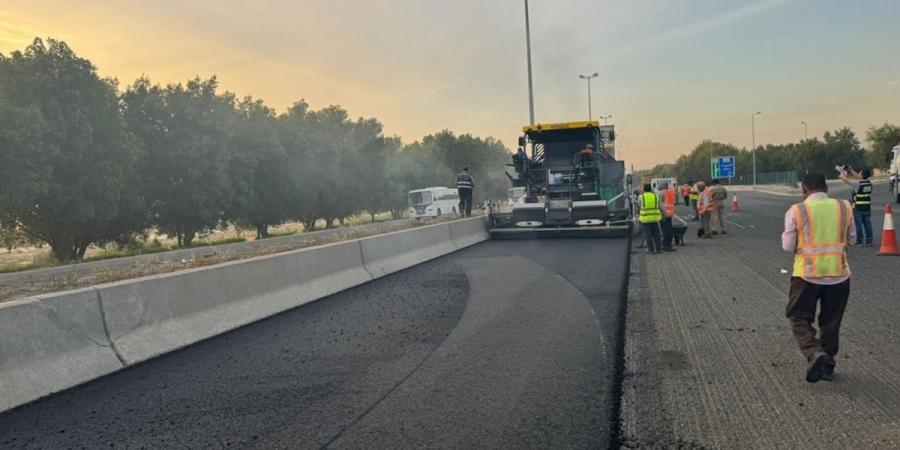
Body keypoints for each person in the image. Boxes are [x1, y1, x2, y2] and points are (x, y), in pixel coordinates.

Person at [781, 172, 855, 383]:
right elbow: (853, 238)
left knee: (798, 317)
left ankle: (815, 353)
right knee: (831, 321)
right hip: (839, 274)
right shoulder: (844, 207)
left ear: (803, 190)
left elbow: (787, 246)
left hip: (806, 275)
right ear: (826, 188)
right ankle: (827, 365)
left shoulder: (797, 210)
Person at [839, 168, 873, 246]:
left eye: (860, 173)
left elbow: (845, 180)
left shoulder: (858, 184)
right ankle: (869, 241)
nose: (858, 174)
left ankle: (860, 241)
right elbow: (857, 176)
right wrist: (850, 169)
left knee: (858, 225)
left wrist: (841, 171)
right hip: (867, 207)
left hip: (858, 207)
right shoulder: (869, 183)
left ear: (861, 175)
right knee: (868, 224)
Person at [639, 183, 663, 253]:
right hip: (655, 218)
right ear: (650, 189)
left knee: (648, 234)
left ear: (644, 189)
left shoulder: (641, 197)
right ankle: (658, 249)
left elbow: (640, 205)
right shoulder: (656, 196)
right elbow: (658, 205)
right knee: (656, 234)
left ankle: (651, 249)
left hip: (645, 219)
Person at [660, 183, 677, 251]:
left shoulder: (661, 193)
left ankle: (665, 245)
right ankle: (669, 244)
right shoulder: (670, 192)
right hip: (670, 213)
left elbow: (660, 204)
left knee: (664, 230)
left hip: (664, 214)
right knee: (669, 229)